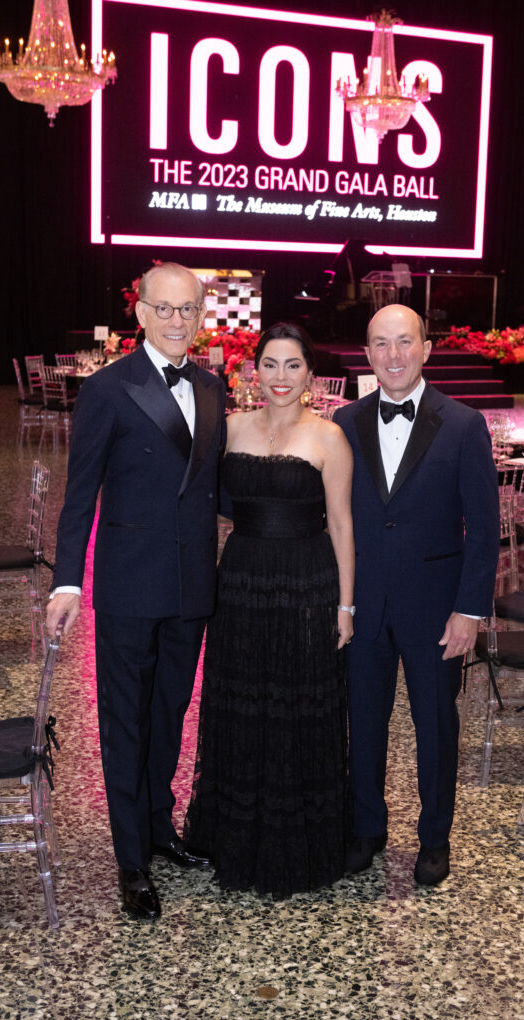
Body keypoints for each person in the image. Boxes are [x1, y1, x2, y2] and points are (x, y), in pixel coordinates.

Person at [45, 262, 226, 920]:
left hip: (189, 587)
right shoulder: (108, 389)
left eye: (188, 310)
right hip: (127, 582)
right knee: (125, 722)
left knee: (169, 716)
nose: (177, 321)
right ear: (141, 314)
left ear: (201, 317)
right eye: (166, 309)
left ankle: (157, 824)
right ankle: (130, 860)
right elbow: (80, 492)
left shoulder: (213, 386)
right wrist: (68, 579)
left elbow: (215, 487)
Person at [183, 322, 354, 898]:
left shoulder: (329, 437)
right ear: (253, 370)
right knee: (242, 700)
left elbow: (342, 523)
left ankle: (297, 843)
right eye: (271, 365)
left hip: (308, 581)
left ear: (310, 375)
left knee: (298, 703)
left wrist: (345, 605)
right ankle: (234, 837)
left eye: (293, 366)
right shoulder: (227, 430)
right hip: (240, 581)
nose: (281, 377)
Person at [333, 304, 499, 885]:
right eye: (381, 344)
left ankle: (434, 839)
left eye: (405, 342)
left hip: (437, 609)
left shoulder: (463, 424)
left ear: (427, 348)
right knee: (365, 722)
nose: (394, 355)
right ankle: (367, 827)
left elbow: (483, 529)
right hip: (363, 606)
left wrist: (469, 610)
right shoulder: (344, 421)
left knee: (435, 725)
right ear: (368, 353)